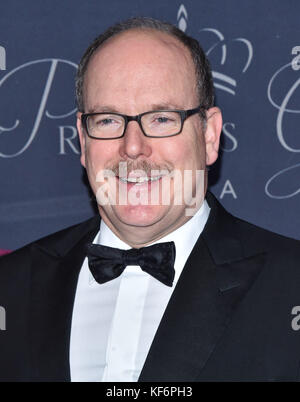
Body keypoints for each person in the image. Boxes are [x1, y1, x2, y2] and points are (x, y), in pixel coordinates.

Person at [0, 17, 300, 382]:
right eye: (108, 120)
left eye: (161, 118)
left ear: (209, 136)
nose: (133, 147)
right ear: (82, 140)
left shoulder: (290, 284)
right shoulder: (11, 288)